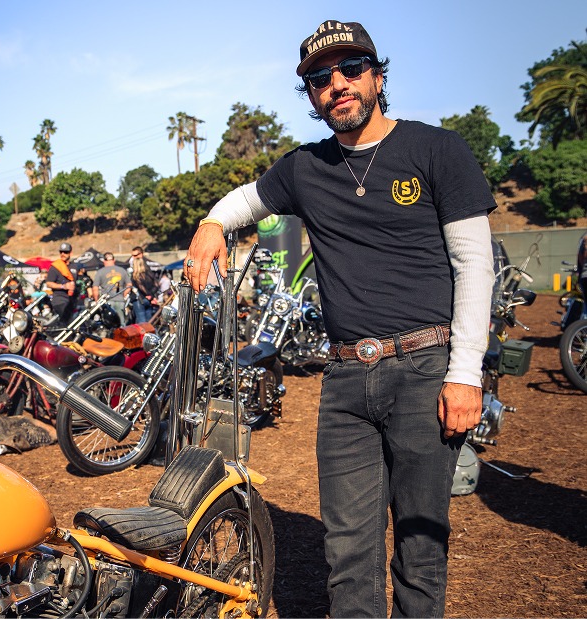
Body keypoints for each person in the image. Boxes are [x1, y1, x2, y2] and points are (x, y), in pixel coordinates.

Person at [184, 20, 495, 618]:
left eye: (350, 69)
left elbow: (474, 266)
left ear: (378, 75)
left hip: (426, 367)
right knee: (347, 553)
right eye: (320, 78)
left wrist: (465, 375)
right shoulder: (305, 167)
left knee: (421, 543)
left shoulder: (438, 149)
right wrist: (211, 224)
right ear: (311, 94)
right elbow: (245, 201)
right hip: (347, 376)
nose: (338, 85)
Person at [92, 252, 131, 320]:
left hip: (106, 301)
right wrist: (124, 294)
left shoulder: (100, 272)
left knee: (108, 323)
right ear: (114, 260)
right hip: (120, 300)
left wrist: (96, 301)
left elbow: (95, 288)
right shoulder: (122, 270)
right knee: (121, 323)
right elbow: (129, 285)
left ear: (104, 261)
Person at [45, 243, 77, 326]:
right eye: (61, 252)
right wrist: (63, 286)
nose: (63, 254)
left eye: (65, 252)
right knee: (68, 323)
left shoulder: (74, 267)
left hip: (71, 300)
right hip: (59, 300)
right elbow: (48, 283)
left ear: (71, 252)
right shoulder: (55, 267)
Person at [130, 248, 159, 324]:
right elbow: (156, 284)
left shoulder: (136, 275)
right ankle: (152, 335)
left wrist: (148, 295)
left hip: (140, 299)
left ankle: (145, 336)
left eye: (135, 255)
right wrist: (151, 295)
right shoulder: (149, 272)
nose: (133, 257)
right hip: (148, 300)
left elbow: (140, 286)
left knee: (142, 323)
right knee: (149, 323)